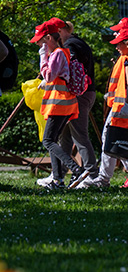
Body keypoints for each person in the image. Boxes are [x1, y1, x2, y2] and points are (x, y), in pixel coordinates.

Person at [77, 22, 128, 189]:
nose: (117, 47)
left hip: (125, 111)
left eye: (119, 43)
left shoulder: (127, 60)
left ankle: (120, 176)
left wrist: (125, 104)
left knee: (115, 141)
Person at [31, 20, 87, 188]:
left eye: (41, 41)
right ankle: (58, 180)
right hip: (64, 103)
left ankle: (76, 170)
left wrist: (42, 55)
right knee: (53, 139)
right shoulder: (62, 53)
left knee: (48, 140)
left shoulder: (57, 53)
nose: (40, 44)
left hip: (59, 103)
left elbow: (48, 76)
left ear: (49, 38)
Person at [55, 20, 100, 188]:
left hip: (79, 95)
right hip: (84, 93)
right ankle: (60, 173)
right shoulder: (78, 43)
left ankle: (92, 174)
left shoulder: (71, 45)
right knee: (65, 135)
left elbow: (69, 66)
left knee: (79, 135)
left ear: (62, 31)